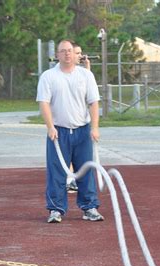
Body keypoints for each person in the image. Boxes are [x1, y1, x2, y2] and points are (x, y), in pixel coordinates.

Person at [36, 39, 104, 223]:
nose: (67, 54)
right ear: (57, 55)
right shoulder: (48, 76)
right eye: (63, 51)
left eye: (70, 51)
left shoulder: (86, 75)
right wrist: (50, 127)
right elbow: (44, 103)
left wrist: (95, 127)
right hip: (59, 132)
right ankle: (56, 210)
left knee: (85, 170)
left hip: (82, 131)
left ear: (76, 54)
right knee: (57, 171)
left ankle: (89, 207)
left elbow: (93, 102)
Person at [65, 42, 91, 193]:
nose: (80, 56)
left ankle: (76, 180)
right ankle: (69, 180)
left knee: (81, 155)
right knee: (67, 154)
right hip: (66, 122)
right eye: (78, 53)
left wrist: (87, 67)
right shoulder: (65, 74)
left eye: (81, 53)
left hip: (81, 122)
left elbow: (88, 88)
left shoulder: (82, 73)